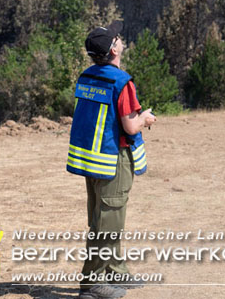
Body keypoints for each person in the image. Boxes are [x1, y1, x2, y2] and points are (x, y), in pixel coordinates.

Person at [67, 21, 157, 299]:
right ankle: (92, 284)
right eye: (117, 38)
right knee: (108, 224)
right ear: (113, 49)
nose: (121, 39)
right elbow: (130, 127)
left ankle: (116, 271)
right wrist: (145, 118)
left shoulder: (87, 76)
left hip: (91, 162)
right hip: (112, 161)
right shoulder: (121, 81)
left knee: (103, 218)